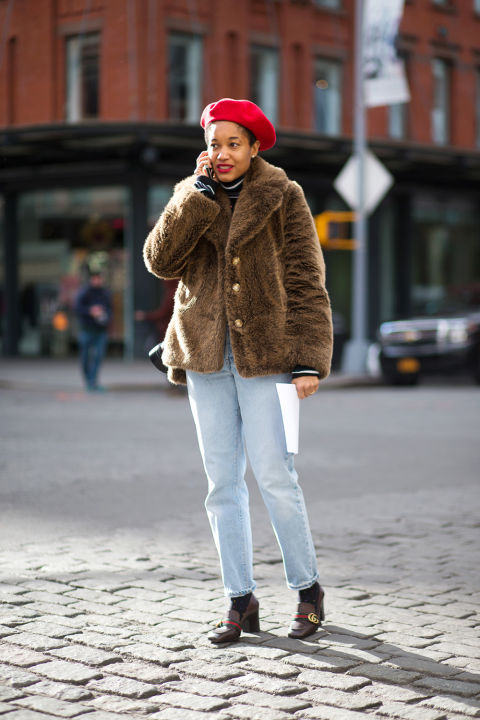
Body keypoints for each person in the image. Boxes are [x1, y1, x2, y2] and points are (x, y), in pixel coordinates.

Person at [143, 98, 333, 643]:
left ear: (253, 147)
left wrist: (308, 360)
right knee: (221, 483)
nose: (221, 154)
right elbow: (159, 260)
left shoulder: (284, 196)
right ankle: (239, 598)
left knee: (276, 476)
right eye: (213, 144)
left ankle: (307, 590)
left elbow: (305, 281)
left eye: (233, 144)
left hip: (270, 359)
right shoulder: (191, 195)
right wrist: (193, 200)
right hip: (205, 357)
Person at [74, 271, 111, 392]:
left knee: (98, 356)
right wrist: (90, 311)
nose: (97, 281)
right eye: (95, 279)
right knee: (85, 357)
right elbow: (77, 308)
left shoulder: (105, 293)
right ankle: (88, 380)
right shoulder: (84, 293)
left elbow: (110, 310)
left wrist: (105, 316)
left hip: (101, 330)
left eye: (99, 279)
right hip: (87, 330)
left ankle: (93, 382)